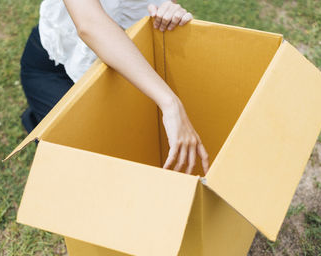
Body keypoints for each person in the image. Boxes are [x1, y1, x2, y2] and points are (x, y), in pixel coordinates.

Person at [20, 0, 209, 175]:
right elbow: (89, 24)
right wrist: (170, 102)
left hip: (129, 71)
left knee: (129, 157)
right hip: (57, 66)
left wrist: (169, 10)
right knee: (87, 171)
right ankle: (44, 117)